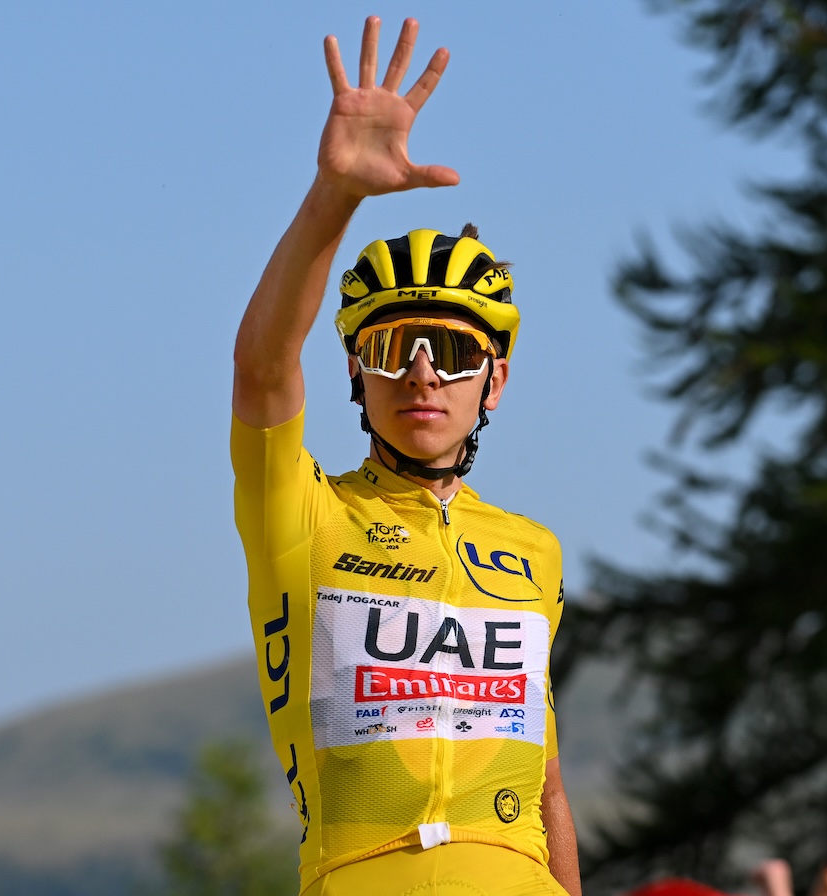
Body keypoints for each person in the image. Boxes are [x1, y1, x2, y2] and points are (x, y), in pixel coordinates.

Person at [230, 16, 579, 896]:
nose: (423, 374)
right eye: (394, 348)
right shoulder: (304, 515)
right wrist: (333, 195)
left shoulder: (534, 550)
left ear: (492, 384)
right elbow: (262, 369)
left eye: (453, 354)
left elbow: (546, 783)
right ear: (356, 371)